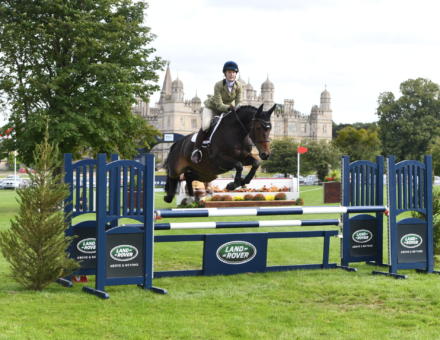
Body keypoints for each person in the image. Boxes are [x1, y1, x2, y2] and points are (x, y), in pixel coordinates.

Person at [191, 61, 243, 163]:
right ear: (225, 74)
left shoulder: (239, 86)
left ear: (236, 74)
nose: (231, 74)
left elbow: (238, 102)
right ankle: (196, 150)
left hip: (227, 109)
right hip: (212, 108)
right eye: (229, 72)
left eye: (233, 72)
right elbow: (219, 105)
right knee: (206, 125)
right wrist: (230, 108)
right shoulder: (218, 85)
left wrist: (238, 110)